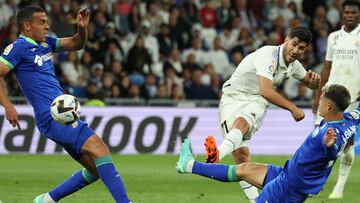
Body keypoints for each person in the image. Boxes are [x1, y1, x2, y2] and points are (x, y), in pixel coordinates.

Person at [0, 6, 131, 203]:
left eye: (46, 21)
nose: (47, 26)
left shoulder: (45, 44)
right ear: (27, 26)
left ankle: (47, 200)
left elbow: (77, 43)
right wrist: (8, 106)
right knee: (100, 149)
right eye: (41, 22)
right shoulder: (18, 48)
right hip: (51, 116)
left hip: (61, 114)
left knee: (96, 169)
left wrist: (82, 29)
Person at [177, 84, 358, 203]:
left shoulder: (330, 135)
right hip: (288, 174)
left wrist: (329, 146)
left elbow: (332, 152)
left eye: (322, 99)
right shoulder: (349, 119)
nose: (318, 101)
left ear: (328, 107)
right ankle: (188, 164)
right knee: (243, 169)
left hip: (290, 187)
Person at [203, 26, 321, 201]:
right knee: (241, 157)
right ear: (286, 40)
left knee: (242, 123)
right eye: (294, 44)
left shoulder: (294, 65)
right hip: (231, 97)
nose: (296, 50)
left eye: (301, 48)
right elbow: (266, 90)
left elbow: (308, 82)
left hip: (256, 100)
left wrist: (314, 83)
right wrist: (293, 108)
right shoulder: (268, 55)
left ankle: (217, 155)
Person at [312, 0, 360, 199]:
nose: (350, 15)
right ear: (342, 14)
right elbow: (326, 67)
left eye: (354, 13)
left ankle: (339, 187)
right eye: (347, 12)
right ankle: (313, 182)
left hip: (352, 95)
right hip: (329, 95)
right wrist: (317, 94)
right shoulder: (334, 37)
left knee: (347, 141)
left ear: (359, 15)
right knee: (318, 138)